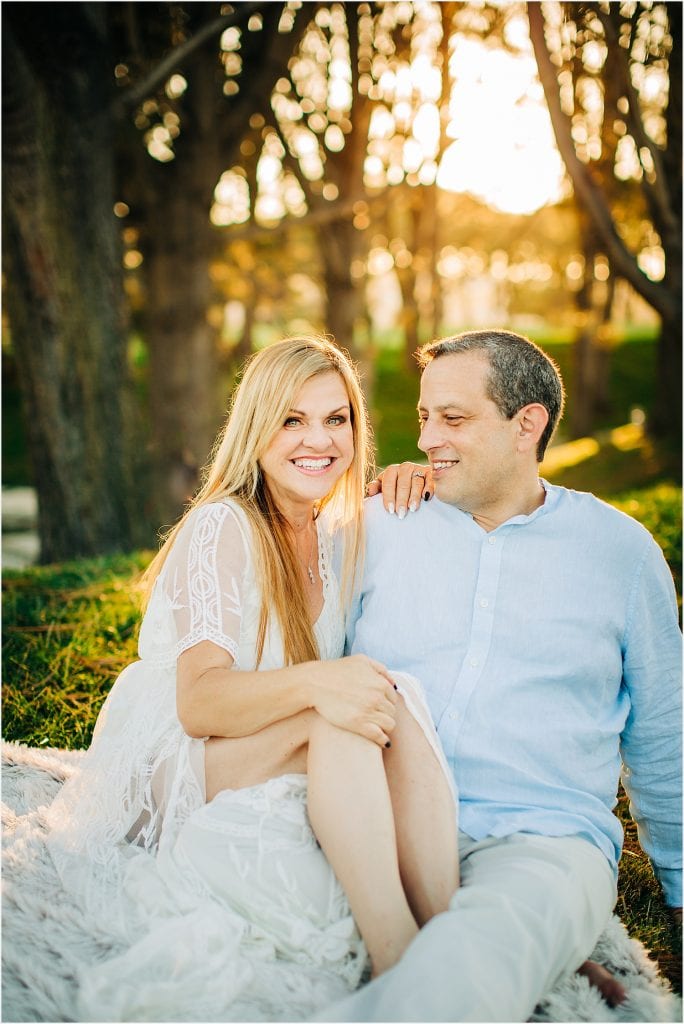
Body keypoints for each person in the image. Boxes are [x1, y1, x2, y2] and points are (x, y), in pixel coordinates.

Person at [45, 335, 459, 1021]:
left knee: (393, 699)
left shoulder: (333, 536)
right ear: (255, 427)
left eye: (336, 419)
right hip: (172, 763)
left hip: (265, 742)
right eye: (291, 419)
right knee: (341, 706)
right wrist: (319, 685)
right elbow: (199, 703)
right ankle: (404, 961)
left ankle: (449, 927)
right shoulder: (222, 527)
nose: (317, 440)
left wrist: (406, 480)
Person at [318, 329, 682, 1022]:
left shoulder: (620, 554)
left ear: (528, 424)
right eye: (425, 418)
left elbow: (663, 735)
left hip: (542, 839)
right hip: (374, 819)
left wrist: (680, 890)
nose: (427, 440)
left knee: (471, 965)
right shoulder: (378, 525)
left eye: (453, 419)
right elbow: (307, 669)